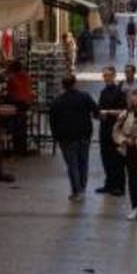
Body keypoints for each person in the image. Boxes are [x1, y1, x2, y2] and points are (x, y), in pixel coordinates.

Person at [49, 74, 99, 202]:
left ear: (63, 85)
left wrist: (56, 137)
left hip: (66, 138)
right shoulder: (84, 97)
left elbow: (53, 121)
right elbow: (96, 111)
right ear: (75, 83)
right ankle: (81, 188)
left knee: (72, 165)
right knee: (83, 163)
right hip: (84, 135)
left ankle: (77, 190)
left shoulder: (57, 101)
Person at [113, 89, 137, 221]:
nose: (133, 98)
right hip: (130, 152)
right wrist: (124, 140)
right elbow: (117, 131)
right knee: (132, 180)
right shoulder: (127, 114)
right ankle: (135, 208)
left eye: (136, 95)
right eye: (132, 96)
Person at [96, 67, 127, 197]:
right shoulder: (103, 92)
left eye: (108, 75)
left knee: (117, 158)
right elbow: (99, 109)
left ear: (114, 76)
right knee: (106, 157)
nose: (106, 78)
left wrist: (108, 112)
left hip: (116, 129)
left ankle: (119, 185)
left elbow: (124, 111)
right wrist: (98, 114)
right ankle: (109, 183)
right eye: (104, 76)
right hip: (104, 129)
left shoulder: (119, 92)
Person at [4, 60, 34, 155]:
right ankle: (22, 147)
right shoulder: (27, 76)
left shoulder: (12, 77)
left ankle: (16, 147)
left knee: (15, 125)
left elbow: (9, 91)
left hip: (16, 103)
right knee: (22, 125)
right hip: (26, 103)